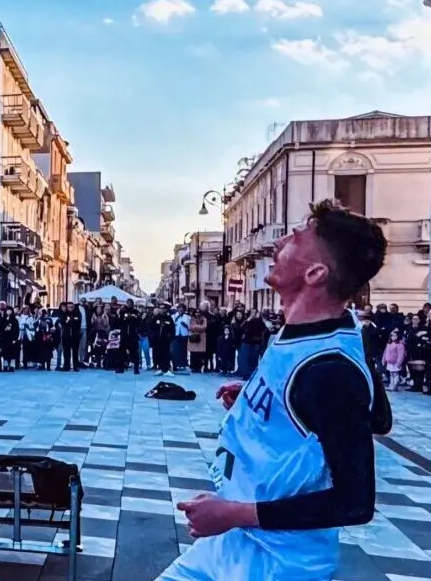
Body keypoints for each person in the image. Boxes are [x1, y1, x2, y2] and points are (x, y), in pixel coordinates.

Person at [163, 200, 390, 581]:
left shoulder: (328, 370)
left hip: (276, 563)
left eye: (297, 237)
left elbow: (355, 503)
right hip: (231, 543)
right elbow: (376, 416)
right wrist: (263, 400)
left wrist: (233, 513)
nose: (280, 240)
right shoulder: (310, 331)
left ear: (316, 273)